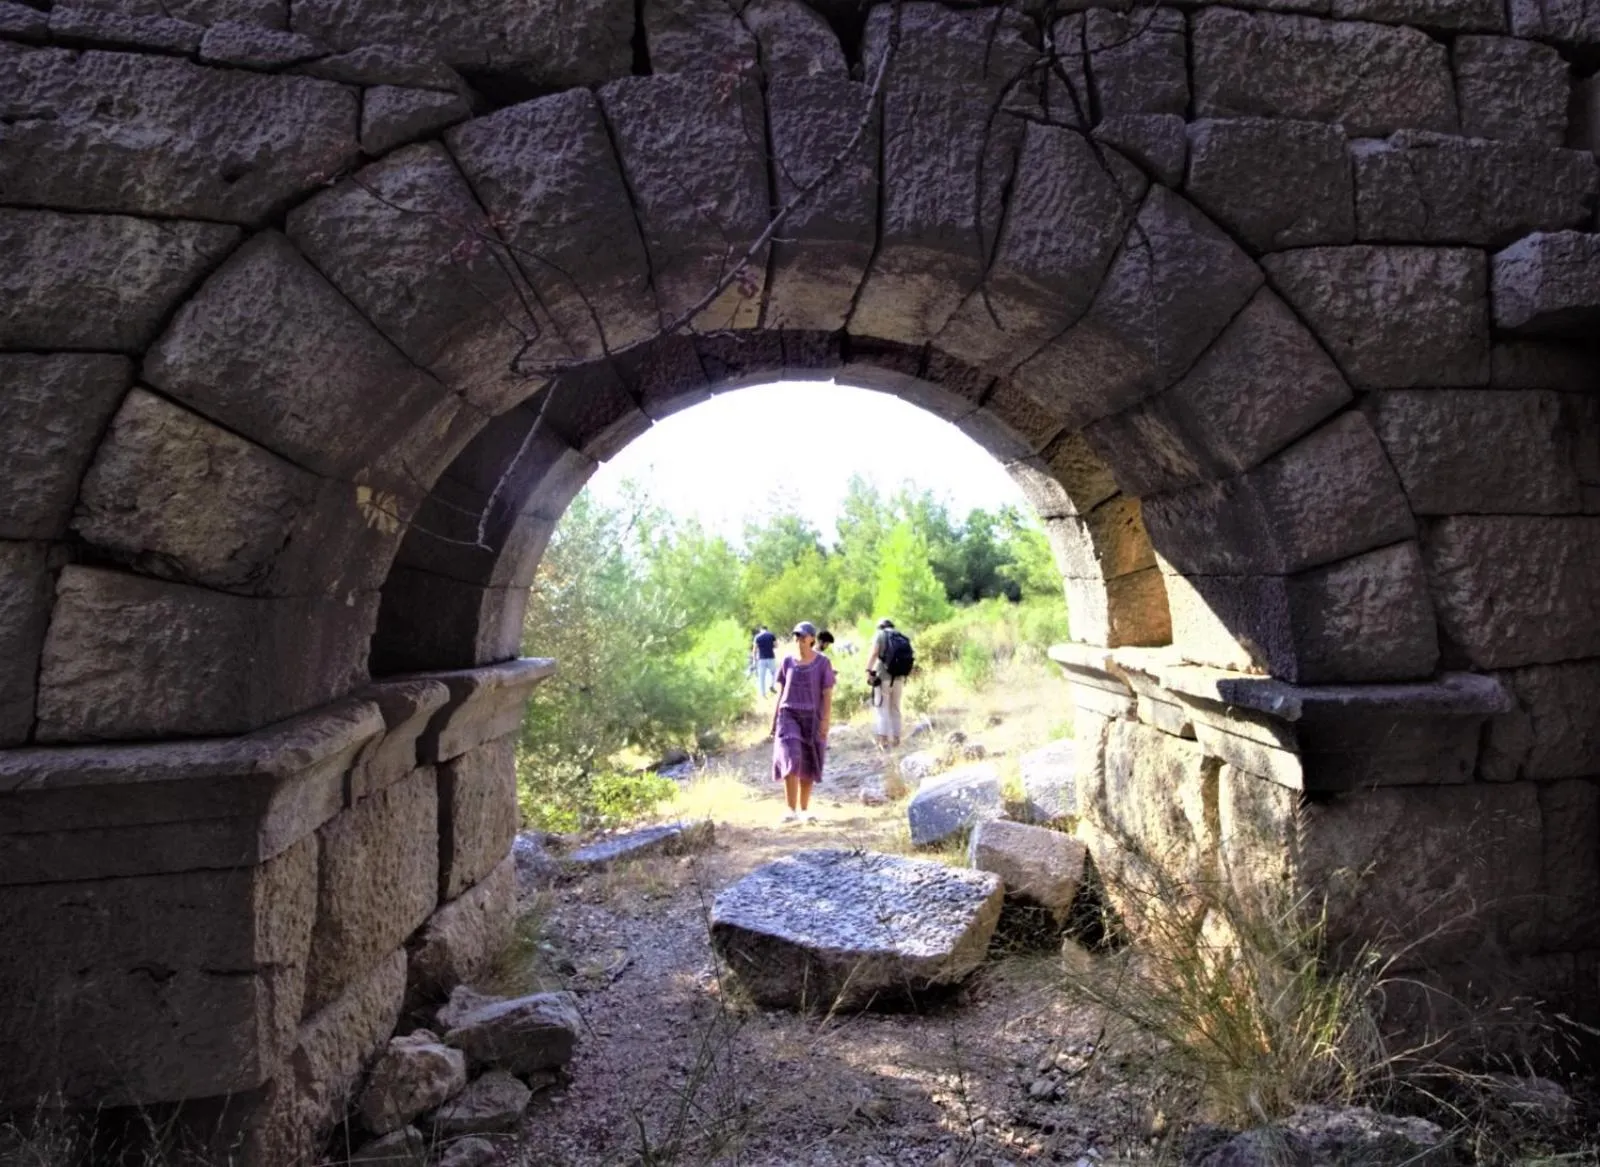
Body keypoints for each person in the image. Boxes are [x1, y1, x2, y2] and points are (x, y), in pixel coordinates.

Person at [770, 621, 835, 823]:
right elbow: (781, 692)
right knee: (792, 756)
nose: (799, 640)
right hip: (788, 715)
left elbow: (827, 694)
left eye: (803, 636)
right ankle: (790, 810)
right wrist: (774, 720)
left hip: (813, 718)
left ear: (812, 639)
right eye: (797, 636)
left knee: (808, 757)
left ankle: (804, 810)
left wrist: (825, 722)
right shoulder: (788, 661)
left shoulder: (823, 663)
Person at [865, 617, 912, 750]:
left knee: (882, 709)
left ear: (880, 627)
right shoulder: (902, 637)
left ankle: (883, 742)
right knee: (895, 708)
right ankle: (896, 740)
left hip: (883, 676)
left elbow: (874, 654)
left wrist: (868, 670)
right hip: (899, 677)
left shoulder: (880, 635)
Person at [751, 625, 778, 697]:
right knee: (775, 673)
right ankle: (771, 685)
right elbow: (776, 646)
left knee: (762, 677)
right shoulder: (771, 635)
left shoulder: (757, 637)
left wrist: (754, 660)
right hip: (771, 657)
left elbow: (754, 650)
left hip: (761, 659)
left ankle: (763, 694)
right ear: (767, 629)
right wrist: (770, 646)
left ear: (761, 629)